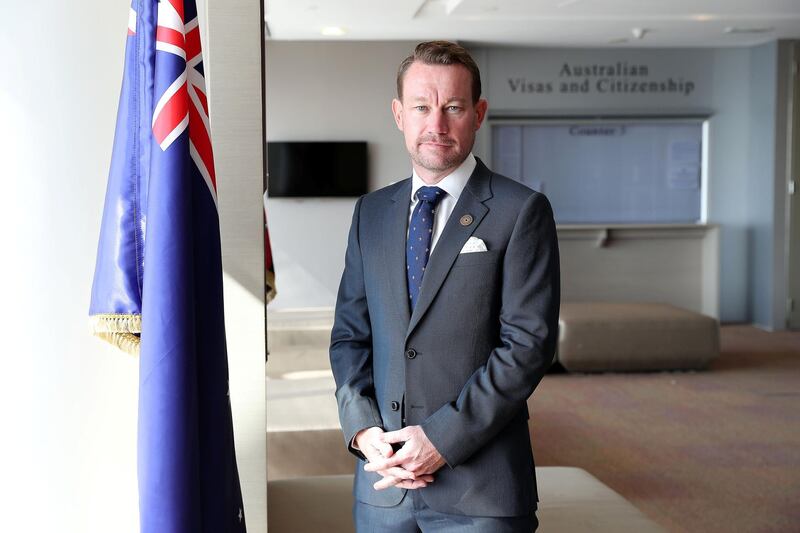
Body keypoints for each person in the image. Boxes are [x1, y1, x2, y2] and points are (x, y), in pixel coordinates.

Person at [329, 40, 560, 532]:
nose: (436, 124)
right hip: (383, 486)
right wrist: (363, 427)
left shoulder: (521, 211)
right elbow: (351, 335)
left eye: (453, 107)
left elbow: (528, 347)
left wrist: (441, 439)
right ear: (398, 114)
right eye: (421, 107)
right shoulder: (370, 213)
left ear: (478, 113)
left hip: (482, 491)